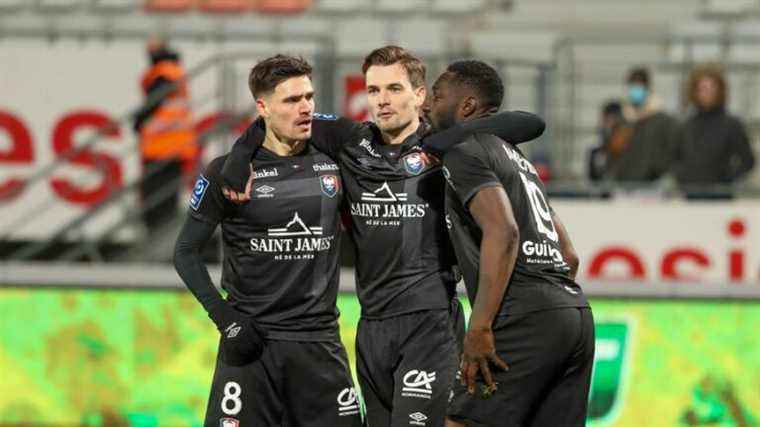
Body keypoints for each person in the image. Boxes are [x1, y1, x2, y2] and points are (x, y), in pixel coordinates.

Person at [219, 46, 546, 426]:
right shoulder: (349, 140)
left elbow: (529, 122)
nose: (382, 101)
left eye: (393, 89)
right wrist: (240, 156)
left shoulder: (448, 147)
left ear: (420, 96)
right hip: (371, 327)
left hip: (430, 324)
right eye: (373, 91)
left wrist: (457, 132)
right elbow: (279, 114)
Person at [173, 55, 361, 427]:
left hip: (319, 345)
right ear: (263, 106)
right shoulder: (227, 173)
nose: (306, 107)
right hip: (252, 347)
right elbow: (185, 252)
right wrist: (223, 316)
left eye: (309, 96)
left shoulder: (335, 160)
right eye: (292, 100)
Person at [424, 60, 594, 426]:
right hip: (574, 314)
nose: (426, 105)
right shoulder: (517, 158)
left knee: (460, 422)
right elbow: (569, 255)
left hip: (523, 316)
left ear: (466, 106)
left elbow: (504, 232)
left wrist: (481, 325)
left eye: (436, 96)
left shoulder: (464, 151)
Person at [134, 36, 198, 233]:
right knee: (167, 196)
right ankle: (164, 230)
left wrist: (138, 120)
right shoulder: (174, 72)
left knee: (155, 196)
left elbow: (154, 102)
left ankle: (157, 231)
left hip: (162, 146)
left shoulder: (163, 73)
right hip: (174, 145)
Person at [672, 64, 755, 199]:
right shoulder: (685, 126)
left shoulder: (732, 124)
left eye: (711, 88)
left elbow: (748, 161)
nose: (706, 93)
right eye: (702, 89)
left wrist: (727, 178)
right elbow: (674, 159)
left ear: (720, 91)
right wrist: (684, 177)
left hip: (721, 197)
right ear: (694, 91)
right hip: (691, 197)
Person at [608, 66, 680, 185]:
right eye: (632, 86)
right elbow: (612, 151)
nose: (635, 90)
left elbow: (672, 151)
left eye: (639, 85)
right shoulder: (621, 119)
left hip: (653, 185)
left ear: (648, 88)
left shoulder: (663, 120)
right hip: (624, 184)